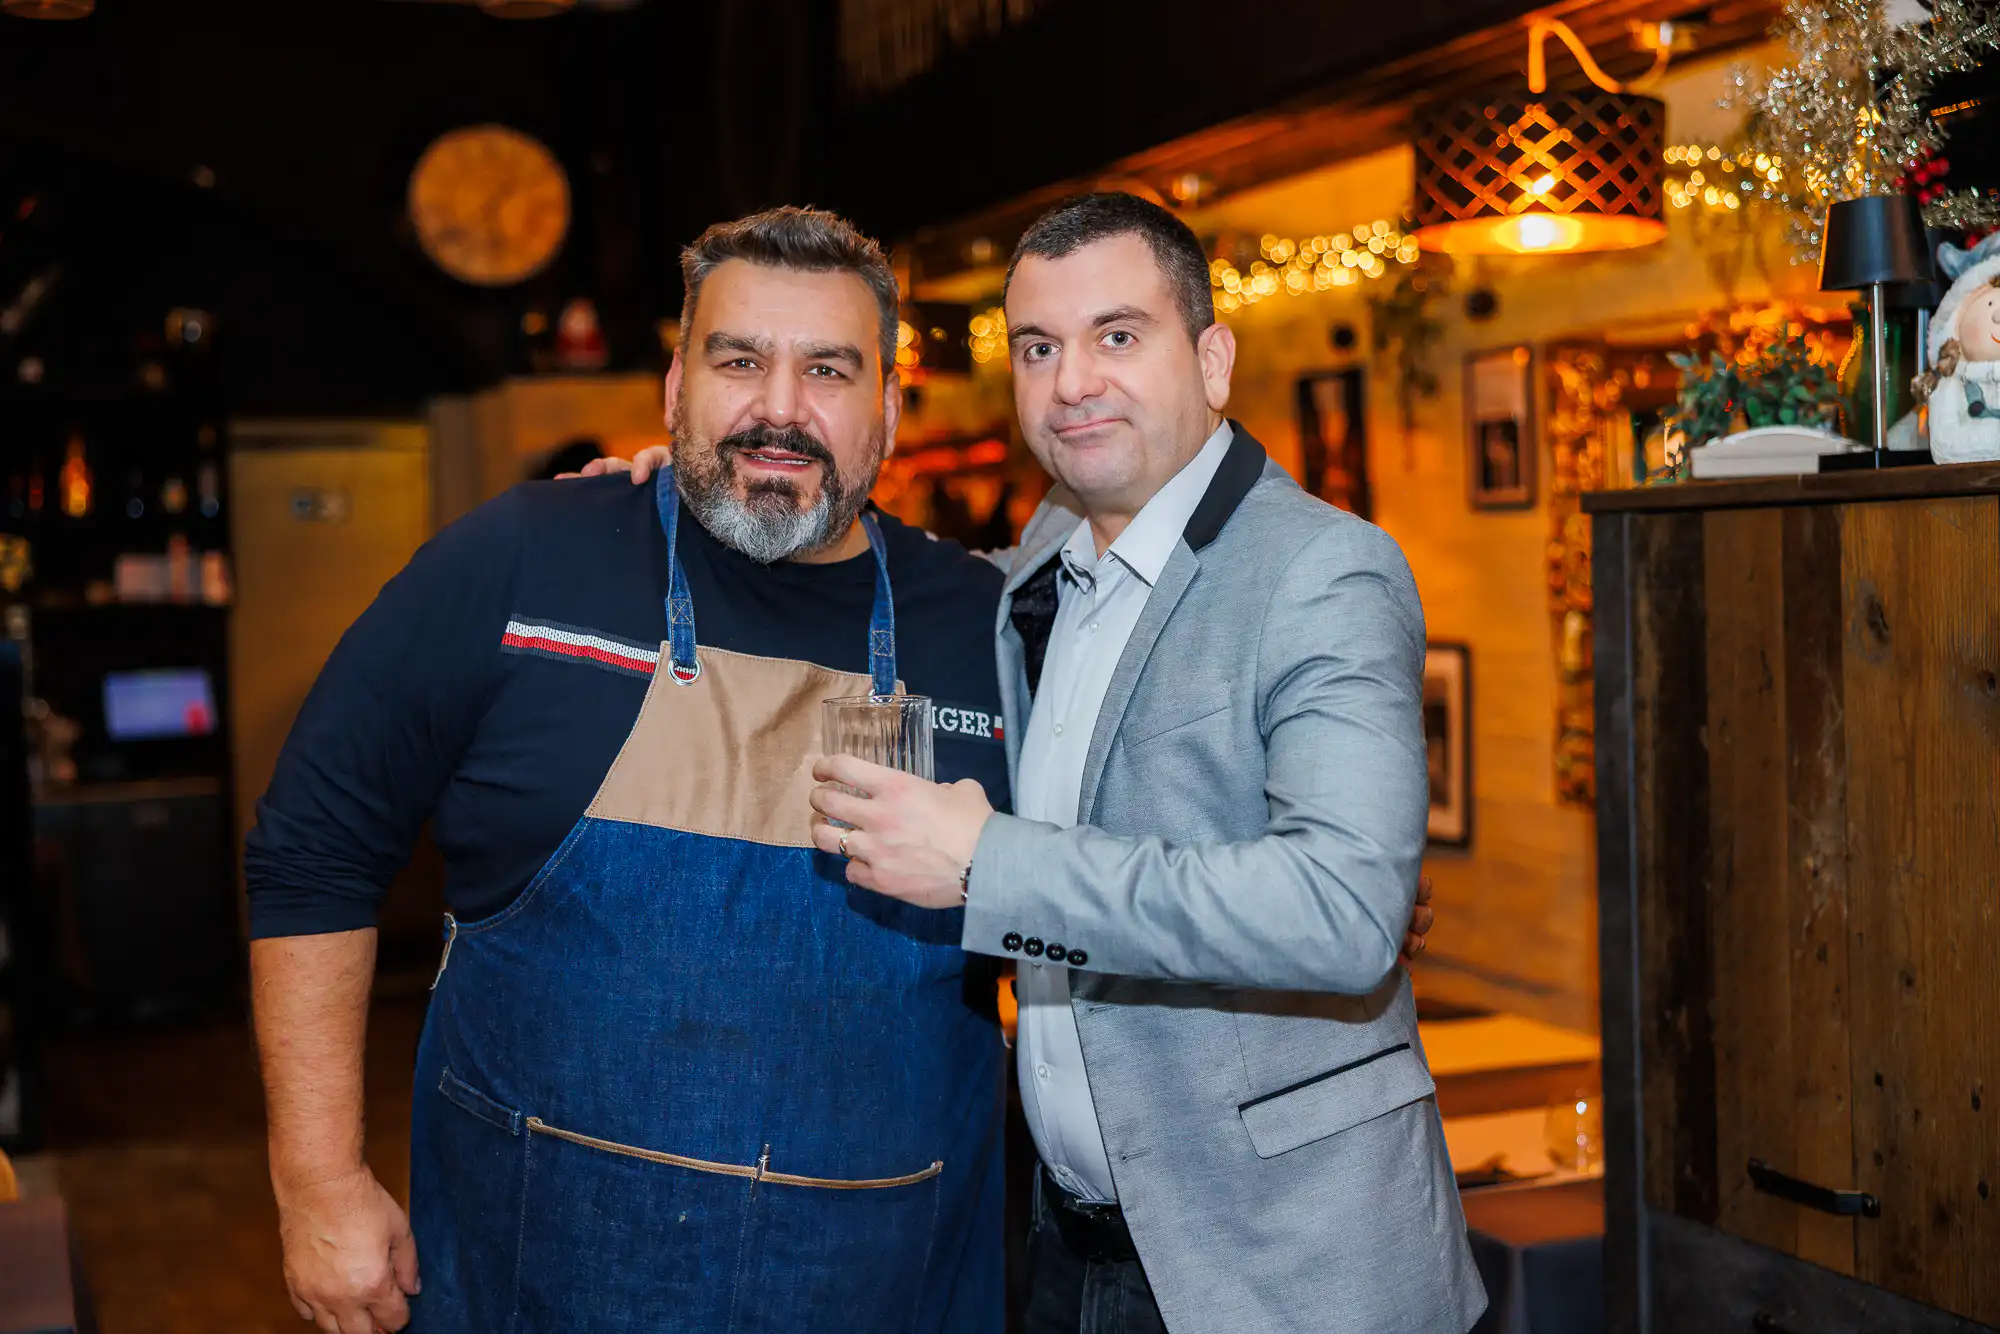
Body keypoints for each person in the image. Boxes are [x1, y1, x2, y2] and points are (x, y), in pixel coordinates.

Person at [243, 206, 1018, 1333]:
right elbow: (315, 848)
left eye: (828, 370)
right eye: (738, 361)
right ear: (674, 389)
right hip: (538, 1280)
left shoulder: (991, 630)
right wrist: (316, 1182)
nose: (780, 409)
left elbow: (1095, 905)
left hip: (883, 1284)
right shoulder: (522, 560)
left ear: (889, 411)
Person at [802, 194, 1486, 1333]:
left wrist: (986, 866)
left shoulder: (1323, 569)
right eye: (1038, 348)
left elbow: (1343, 912)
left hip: (1284, 1271)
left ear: (1212, 360)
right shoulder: (1041, 557)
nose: (1071, 381)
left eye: (1116, 335)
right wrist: (676, 498)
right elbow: (875, 574)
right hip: (1069, 1252)